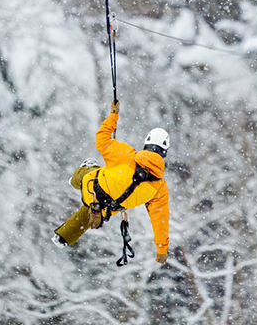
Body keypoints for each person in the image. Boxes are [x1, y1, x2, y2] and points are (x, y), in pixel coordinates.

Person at [53, 101, 171, 264]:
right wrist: (162, 249)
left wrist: (113, 116)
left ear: (146, 144)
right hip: (104, 211)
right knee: (94, 207)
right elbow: (160, 220)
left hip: (91, 188)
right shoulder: (160, 188)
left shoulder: (126, 155)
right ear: (164, 153)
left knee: (91, 171)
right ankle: (63, 237)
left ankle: (74, 180)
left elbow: (101, 139)